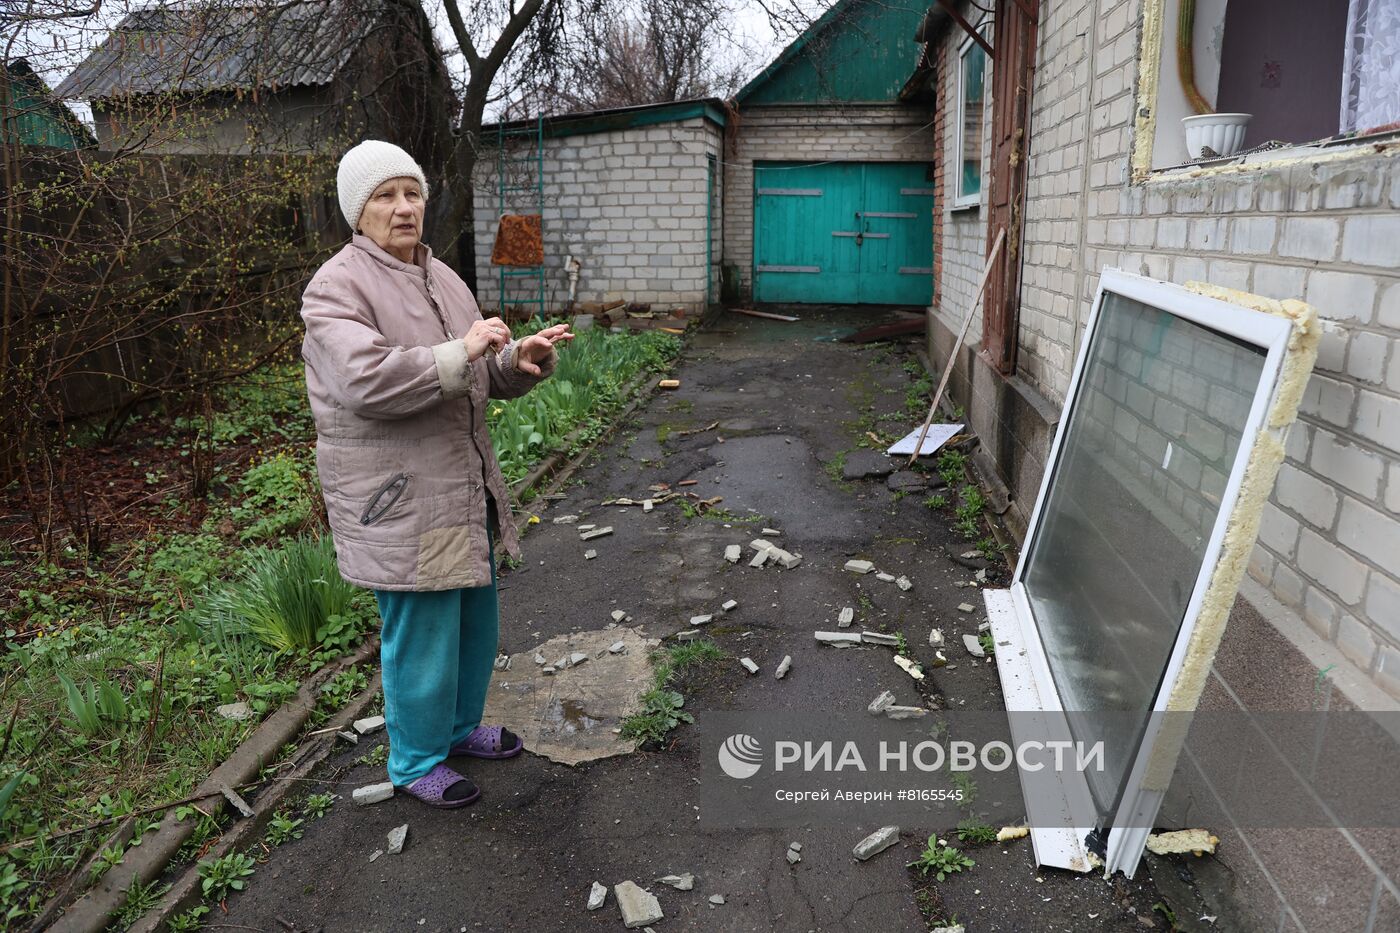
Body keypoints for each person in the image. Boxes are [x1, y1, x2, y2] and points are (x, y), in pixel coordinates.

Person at [299, 140, 573, 808]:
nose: (403, 208)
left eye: (411, 192)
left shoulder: (442, 276)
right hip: (399, 497)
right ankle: (415, 760)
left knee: (473, 617)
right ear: (357, 210)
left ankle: (456, 729)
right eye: (385, 196)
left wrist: (515, 365)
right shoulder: (336, 286)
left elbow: (471, 371)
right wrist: (463, 349)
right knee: (421, 632)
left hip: (460, 485)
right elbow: (367, 382)